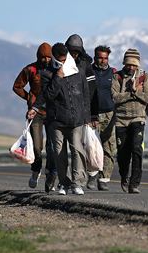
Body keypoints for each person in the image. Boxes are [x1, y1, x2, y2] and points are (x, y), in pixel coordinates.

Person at [32, 43, 90, 195]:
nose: (63, 63)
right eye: (60, 60)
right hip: (56, 120)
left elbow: (85, 95)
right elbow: (49, 95)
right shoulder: (46, 73)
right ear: (54, 58)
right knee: (59, 153)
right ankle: (64, 183)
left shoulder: (78, 71)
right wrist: (57, 77)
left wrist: (86, 116)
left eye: (65, 60)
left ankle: (77, 183)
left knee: (77, 150)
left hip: (76, 119)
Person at [13, 42, 57, 192]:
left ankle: (51, 175)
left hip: (52, 112)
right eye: (42, 57)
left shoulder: (56, 69)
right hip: (36, 113)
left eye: (48, 57)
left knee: (52, 147)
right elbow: (17, 86)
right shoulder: (30, 69)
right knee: (37, 147)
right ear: (37, 57)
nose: (45, 60)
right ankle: (36, 170)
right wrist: (29, 98)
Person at [112, 48, 148, 194]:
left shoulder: (144, 77)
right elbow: (115, 97)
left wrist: (137, 92)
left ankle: (134, 183)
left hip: (138, 118)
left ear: (138, 64)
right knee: (123, 153)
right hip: (121, 120)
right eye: (128, 64)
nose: (131, 67)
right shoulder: (117, 77)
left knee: (137, 150)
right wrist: (131, 93)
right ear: (124, 63)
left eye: (134, 65)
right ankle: (124, 176)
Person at [65, 34, 99, 190]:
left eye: (76, 51)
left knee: (77, 147)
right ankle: (62, 178)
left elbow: (92, 91)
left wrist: (92, 115)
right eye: (71, 51)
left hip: (80, 114)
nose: (74, 54)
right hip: (62, 112)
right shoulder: (61, 62)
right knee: (60, 149)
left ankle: (78, 180)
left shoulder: (86, 65)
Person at [91, 45, 117, 191]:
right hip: (92, 115)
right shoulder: (89, 72)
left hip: (109, 114)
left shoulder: (113, 73)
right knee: (91, 148)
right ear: (95, 57)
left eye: (105, 58)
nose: (103, 60)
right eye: (100, 57)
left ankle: (104, 178)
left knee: (109, 147)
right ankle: (92, 174)